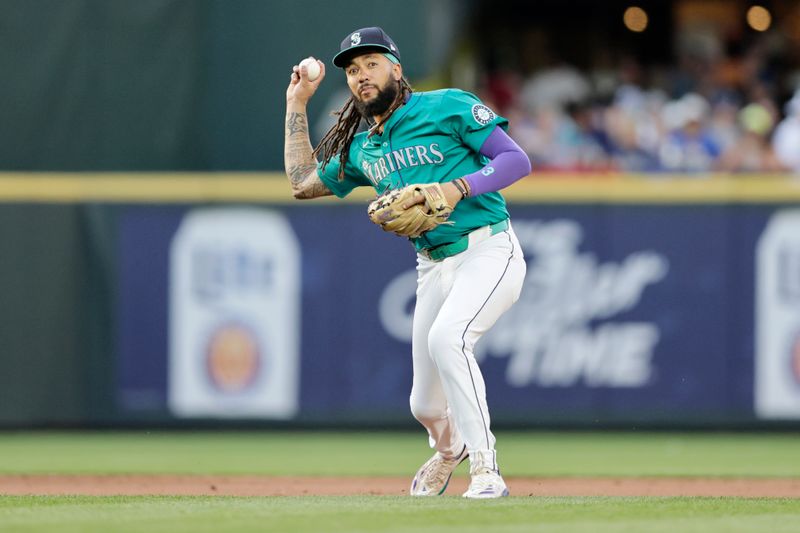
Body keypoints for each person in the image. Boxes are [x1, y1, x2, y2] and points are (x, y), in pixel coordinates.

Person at [284, 27, 530, 499]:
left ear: (396, 68)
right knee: (425, 405)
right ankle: (448, 450)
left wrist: (456, 188)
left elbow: (516, 161)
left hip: (488, 248)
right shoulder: (361, 148)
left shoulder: (447, 106)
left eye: (371, 64)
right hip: (433, 265)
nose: (361, 76)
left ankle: (486, 470)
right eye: (353, 70)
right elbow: (300, 181)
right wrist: (297, 102)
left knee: (449, 339)